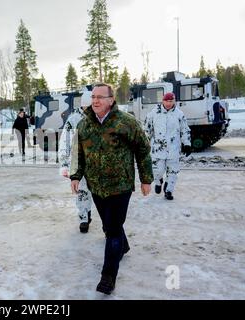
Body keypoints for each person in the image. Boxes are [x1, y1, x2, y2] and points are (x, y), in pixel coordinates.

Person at [70, 83, 153, 295]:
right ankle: (123, 246)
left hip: (120, 186)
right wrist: (76, 176)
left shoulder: (127, 123)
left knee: (112, 229)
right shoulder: (84, 125)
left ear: (111, 100)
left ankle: (108, 276)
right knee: (109, 224)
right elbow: (78, 153)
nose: (95, 101)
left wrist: (146, 179)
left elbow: (143, 150)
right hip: (97, 186)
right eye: (93, 97)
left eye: (100, 97)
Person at [144, 92, 191, 201]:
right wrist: (145, 144)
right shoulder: (154, 114)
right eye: (167, 101)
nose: (169, 103)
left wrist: (187, 144)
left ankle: (169, 190)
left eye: (171, 101)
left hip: (173, 149)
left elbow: (185, 130)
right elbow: (147, 130)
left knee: (173, 171)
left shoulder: (179, 114)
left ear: (174, 101)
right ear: (163, 101)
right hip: (158, 150)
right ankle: (158, 181)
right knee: (157, 170)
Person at [59, 90, 93, 233]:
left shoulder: (101, 118)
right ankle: (83, 217)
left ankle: (89, 210)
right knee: (81, 191)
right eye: (87, 107)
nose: (89, 109)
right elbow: (65, 142)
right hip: (78, 162)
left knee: (95, 192)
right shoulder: (73, 119)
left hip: (98, 163)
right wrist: (64, 164)